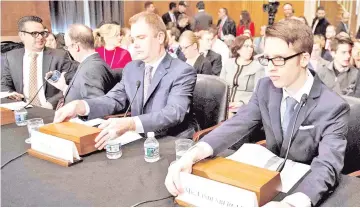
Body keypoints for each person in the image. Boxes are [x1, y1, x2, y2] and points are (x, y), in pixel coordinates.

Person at [165, 19, 350, 207]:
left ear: (304, 59)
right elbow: (237, 124)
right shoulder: (266, 87)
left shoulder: (333, 107)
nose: (270, 67)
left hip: (308, 189)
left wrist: (294, 203)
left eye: (279, 59)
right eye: (266, 59)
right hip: (267, 182)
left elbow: (327, 165)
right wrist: (192, 155)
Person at [54, 12, 198, 149]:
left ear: (160, 37)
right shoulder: (132, 68)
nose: (135, 44)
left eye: (141, 38)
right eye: (134, 39)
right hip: (138, 140)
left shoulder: (182, 71)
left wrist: (130, 123)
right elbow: (114, 99)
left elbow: (173, 113)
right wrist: (80, 106)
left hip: (171, 142)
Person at [1, 16, 77, 109]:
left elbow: (71, 85)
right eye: (34, 33)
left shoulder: (60, 56)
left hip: (51, 108)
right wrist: (11, 94)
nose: (40, 37)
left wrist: (50, 104)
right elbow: (4, 85)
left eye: (42, 33)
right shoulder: (10, 57)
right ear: (22, 35)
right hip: (22, 109)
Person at [49, 24, 116, 108]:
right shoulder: (91, 63)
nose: (68, 50)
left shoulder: (91, 68)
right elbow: (82, 94)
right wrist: (64, 87)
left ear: (76, 46)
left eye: (67, 47)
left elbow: (95, 107)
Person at [220, 35, 264, 117]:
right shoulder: (228, 63)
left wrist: (241, 103)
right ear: (238, 49)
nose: (250, 49)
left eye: (251, 46)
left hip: (244, 107)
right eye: (246, 46)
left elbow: (257, 93)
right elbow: (220, 87)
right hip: (225, 105)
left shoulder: (258, 67)